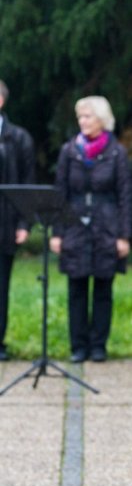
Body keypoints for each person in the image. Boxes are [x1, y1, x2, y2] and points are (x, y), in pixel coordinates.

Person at [50, 96, 132, 363]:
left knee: (102, 288)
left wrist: (123, 235)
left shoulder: (116, 153)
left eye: (87, 116)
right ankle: (78, 346)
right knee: (76, 288)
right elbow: (59, 193)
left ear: (102, 119)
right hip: (74, 227)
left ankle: (98, 345)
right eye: (80, 117)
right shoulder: (69, 151)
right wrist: (57, 232)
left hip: (106, 227)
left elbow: (125, 195)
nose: (82, 122)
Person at [0, 79, 36, 361]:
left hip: (5, 225)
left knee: (1, 287)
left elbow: (28, 185)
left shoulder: (19, 138)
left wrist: (24, 224)